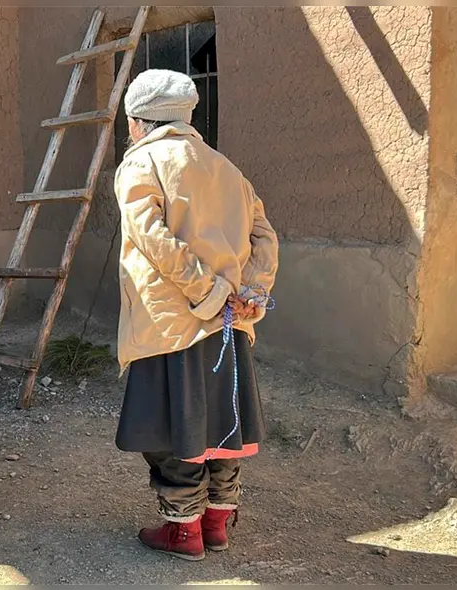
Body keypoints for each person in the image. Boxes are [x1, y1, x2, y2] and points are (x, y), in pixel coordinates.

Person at [112, 69, 279, 561]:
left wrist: (207, 291)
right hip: (231, 322)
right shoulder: (226, 167)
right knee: (224, 420)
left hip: (173, 322)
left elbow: (152, 238)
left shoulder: (140, 163)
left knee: (175, 427)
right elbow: (264, 236)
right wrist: (249, 293)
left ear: (137, 122)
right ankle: (217, 521)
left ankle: (183, 530)